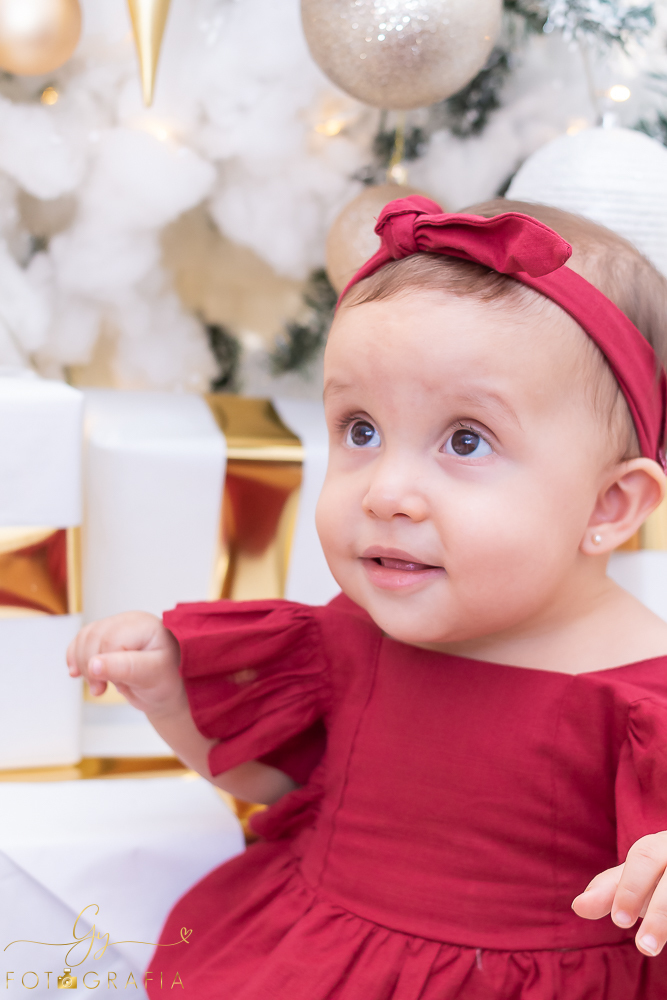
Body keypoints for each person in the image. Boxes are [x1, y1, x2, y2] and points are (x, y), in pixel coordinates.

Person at [68, 195, 667, 999]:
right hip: (313, 963)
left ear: (609, 507)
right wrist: (172, 700)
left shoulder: (643, 703)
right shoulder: (351, 638)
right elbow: (278, 785)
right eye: (359, 429)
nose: (386, 492)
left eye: (465, 440)